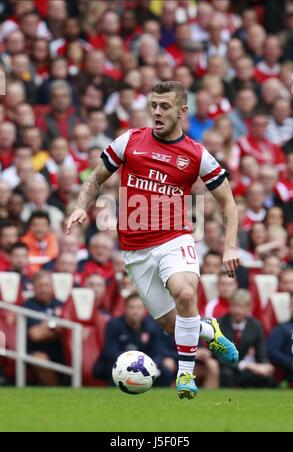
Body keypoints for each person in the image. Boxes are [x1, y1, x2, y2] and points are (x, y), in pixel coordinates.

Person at [67, 80, 239, 399]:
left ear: (182, 111)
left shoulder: (196, 154)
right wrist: (80, 207)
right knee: (173, 325)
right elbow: (95, 177)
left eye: (165, 107)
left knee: (185, 292)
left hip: (175, 237)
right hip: (135, 251)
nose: (157, 113)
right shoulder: (130, 141)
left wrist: (229, 244)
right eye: (154, 106)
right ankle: (208, 330)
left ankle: (185, 376)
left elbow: (227, 201)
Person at [218, 290, 275, 388]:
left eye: (241, 307)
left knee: (267, 376)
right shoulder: (220, 324)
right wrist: (246, 365)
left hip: (245, 369)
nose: (237, 311)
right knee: (226, 373)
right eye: (234, 306)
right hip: (225, 366)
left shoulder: (255, 325)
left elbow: (261, 352)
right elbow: (220, 356)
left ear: (249, 308)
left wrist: (265, 365)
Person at [267, 292, 293, 388]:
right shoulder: (281, 328)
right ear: (289, 307)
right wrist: (292, 364)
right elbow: (272, 351)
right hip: (290, 375)